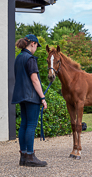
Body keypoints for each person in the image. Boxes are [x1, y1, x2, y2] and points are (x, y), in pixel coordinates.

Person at [12, 34, 47, 167]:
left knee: (24, 125)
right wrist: (42, 98)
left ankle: (23, 157)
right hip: (31, 97)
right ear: (32, 43)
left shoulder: (19, 57)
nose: (36, 48)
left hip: (21, 96)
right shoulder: (30, 58)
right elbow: (34, 80)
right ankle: (30, 156)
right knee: (31, 125)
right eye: (37, 46)